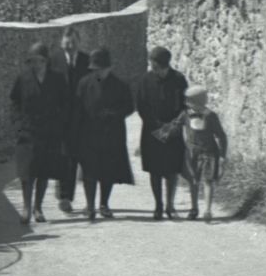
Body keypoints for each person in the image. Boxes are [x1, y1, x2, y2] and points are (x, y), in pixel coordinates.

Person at [8, 41, 70, 229]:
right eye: (33, 61)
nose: (37, 65)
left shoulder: (57, 79)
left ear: (46, 61)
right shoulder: (23, 78)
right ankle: (26, 208)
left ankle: (38, 208)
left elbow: (66, 103)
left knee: (43, 171)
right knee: (27, 172)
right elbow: (14, 102)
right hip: (28, 131)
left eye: (40, 61)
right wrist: (18, 124)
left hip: (49, 131)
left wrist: (60, 124)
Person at [73, 46, 134, 219]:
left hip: (111, 134)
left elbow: (129, 107)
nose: (97, 72)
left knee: (107, 171)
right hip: (88, 134)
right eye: (94, 69)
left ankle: (104, 204)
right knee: (89, 171)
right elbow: (77, 109)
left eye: (100, 69)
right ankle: (90, 206)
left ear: (109, 68)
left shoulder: (120, 85)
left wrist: (114, 114)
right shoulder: (84, 83)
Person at [133, 44, 188, 219]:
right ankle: (158, 206)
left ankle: (170, 205)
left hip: (173, 130)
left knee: (172, 169)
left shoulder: (179, 80)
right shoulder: (145, 80)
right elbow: (141, 106)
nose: (153, 68)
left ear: (164, 65)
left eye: (155, 65)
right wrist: (156, 126)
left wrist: (174, 125)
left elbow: (185, 105)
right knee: (155, 170)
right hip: (152, 131)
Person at [168, 85, 229, 221]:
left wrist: (223, 156)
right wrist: (161, 135)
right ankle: (194, 208)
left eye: (189, 100)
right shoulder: (185, 114)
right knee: (193, 180)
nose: (186, 103)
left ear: (198, 101)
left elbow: (221, 136)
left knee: (208, 180)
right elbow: (175, 125)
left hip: (209, 152)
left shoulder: (210, 116)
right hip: (192, 152)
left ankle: (207, 210)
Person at [53, 27, 92, 213]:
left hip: (82, 119)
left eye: (73, 42)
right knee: (64, 159)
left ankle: (90, 202)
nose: (70, 46)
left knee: (82, 159)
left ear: (79, 43)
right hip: (61, 120)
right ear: (62, 43)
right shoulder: (55, 60)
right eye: (67, 42)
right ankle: (65, 197)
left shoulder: (86, 61)